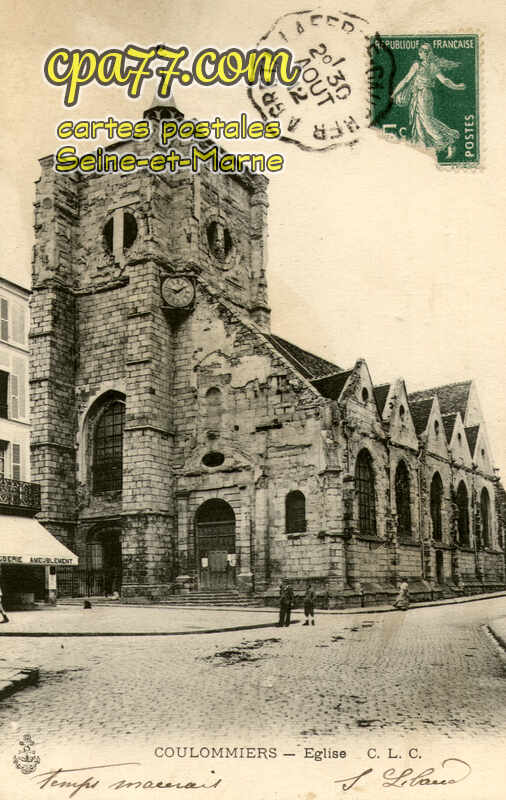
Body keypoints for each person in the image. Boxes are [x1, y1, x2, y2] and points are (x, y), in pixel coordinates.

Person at [391, 42, 466, 159]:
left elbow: (406, 80)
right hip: (421, 95)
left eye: (423, 51)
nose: (420, 53)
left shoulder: (420, 65)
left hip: (423, 95)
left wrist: (394, 93)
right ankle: (423, 150)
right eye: (420, 51)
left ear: (427, 53)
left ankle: (447, 143)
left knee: (426, 121)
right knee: (420, 122)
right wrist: (457, 86)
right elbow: (445, 81)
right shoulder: (430, 66)